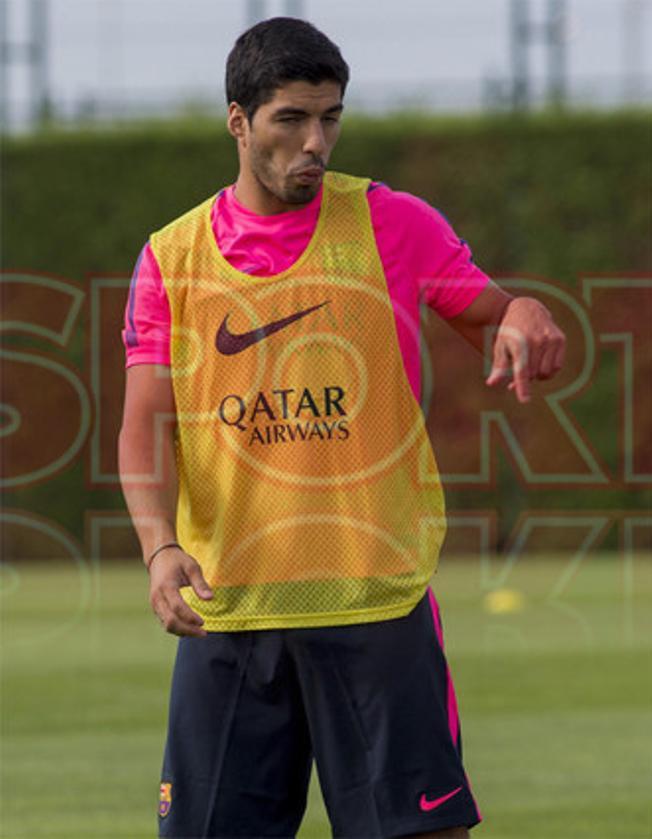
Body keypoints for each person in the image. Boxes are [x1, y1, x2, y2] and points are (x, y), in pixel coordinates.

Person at [118, 17, 565, 839]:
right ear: (239, 122)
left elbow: (499, 313)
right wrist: (158, 545)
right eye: (290, 119)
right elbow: (146, 425)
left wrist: (527, 316)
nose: (313, 142)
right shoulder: (171, 258)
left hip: (374, 603)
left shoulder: (391, 223)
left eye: (329, 118)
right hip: (232, 614)